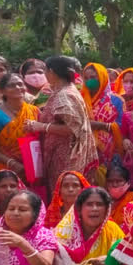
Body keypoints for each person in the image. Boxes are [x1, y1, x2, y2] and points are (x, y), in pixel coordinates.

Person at [26, 56, 97, 193]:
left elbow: (71, 128)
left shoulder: (64, 95)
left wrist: (41, 126)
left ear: (51, 72)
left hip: (65, 157)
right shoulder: (63, 91)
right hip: (62, 154)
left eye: (45, 70)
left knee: (63, 195)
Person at [54, 187, 124, 265]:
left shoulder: (113, 230)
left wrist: (109, 263)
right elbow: (54, 260)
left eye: (99, 204)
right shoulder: (65, 230)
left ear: (106, 210)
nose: (94, 209)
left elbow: (125, 260)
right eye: (89, 204)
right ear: (80, 209)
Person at [81, 63, 124, 175]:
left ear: (102, 77)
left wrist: (100, 125)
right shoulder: (79, 99)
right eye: (86, 78)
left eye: (93, 77)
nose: (89, 80)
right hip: (84, 150)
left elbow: (122, 126)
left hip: (110, 151)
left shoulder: (116, 101)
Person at [0, 74, 39, 175]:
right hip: (5, 167)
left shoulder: (34, 110)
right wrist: (11, 163)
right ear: (2, 91)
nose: (18, 87)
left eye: (20, 84)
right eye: (12, 85)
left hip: (34, 165)